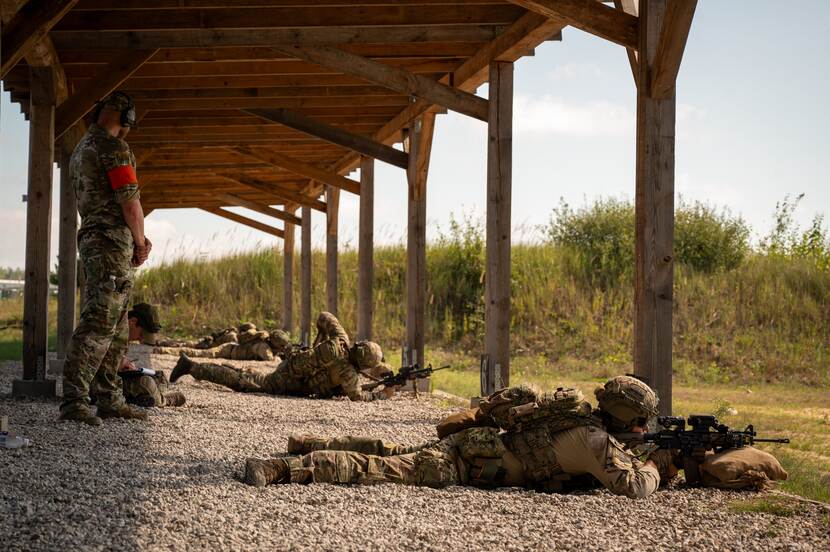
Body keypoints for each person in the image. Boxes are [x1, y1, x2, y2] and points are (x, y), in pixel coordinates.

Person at [242, 376, 673, 499]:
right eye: (641, 423)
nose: (642, 431)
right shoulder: (596, 441)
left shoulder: (579, 420)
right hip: (466, 463)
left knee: (392, 449)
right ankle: (282, 467)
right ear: (627, 418)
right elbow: (632, 486)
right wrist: (655, 465)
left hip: (477, 444)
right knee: (385, 467)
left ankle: (306, 443)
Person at [60, 91, 151, 426]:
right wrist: (140, 242)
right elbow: (130, 203)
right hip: (111, 243)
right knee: (100, 323)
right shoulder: (113, 149)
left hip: (98, 241)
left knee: (116, 327)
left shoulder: (81, 149)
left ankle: (109, 398)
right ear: (124, 117)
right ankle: (75, 401)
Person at [169, 312, 395, 401]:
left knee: (247, 374)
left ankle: (197, 366)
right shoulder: (348, 374)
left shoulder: (342, 339)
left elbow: (324, 316)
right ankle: (192, 367)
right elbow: (357, 397)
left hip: (294, 364)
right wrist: (383, 395)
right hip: (290, 383)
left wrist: (319, 339)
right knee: (245, 382)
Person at [153, 326, 291, 361]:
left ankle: (164, 347)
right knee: (198, 353)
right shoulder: (264, 347)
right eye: (281, 346)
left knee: (197, 349)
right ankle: (164, 351)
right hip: (227, 350)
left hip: (231, 348)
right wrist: (280, 357)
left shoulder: (263, 341)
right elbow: (271, 360)